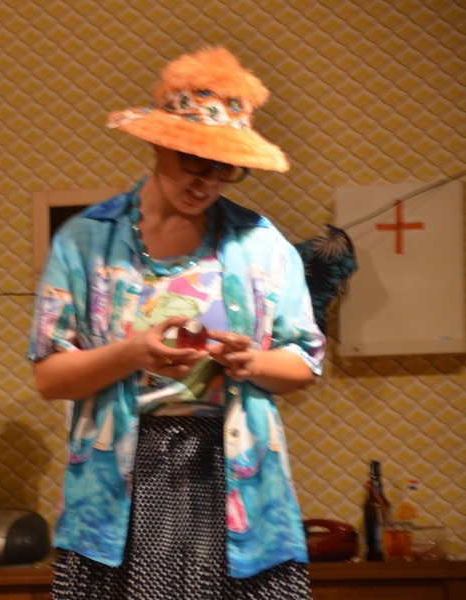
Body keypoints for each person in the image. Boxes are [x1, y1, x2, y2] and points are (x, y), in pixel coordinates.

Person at [28, 46, 326, 600]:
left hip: (233, 476)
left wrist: (250, 361)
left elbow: (304, 363)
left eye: (225, 167)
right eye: (193, 159)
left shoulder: (262, 245)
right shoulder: (86, 240)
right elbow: (49, 377)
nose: (208, 181)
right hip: (119, 485)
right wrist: (131, 354)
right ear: (158, 143)